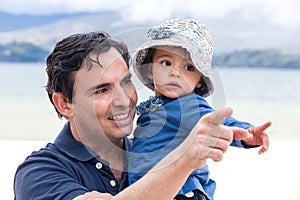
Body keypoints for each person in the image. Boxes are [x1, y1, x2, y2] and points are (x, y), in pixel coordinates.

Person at [13, 31, 253, 200]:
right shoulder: (39, 173)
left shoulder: (149, 148)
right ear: (65, 103)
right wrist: (184, 160)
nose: (124, 100)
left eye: (126, 83)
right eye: (102, 89)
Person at [128, 18, 271, 200]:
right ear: (150, 70)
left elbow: (216, 121)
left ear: (198, 81)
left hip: (181, 192)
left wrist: (248, 133)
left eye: (188, 67)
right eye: (166, 63)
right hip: (149, 189)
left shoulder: (189, 104)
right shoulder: (155, 106)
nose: (175, 72)